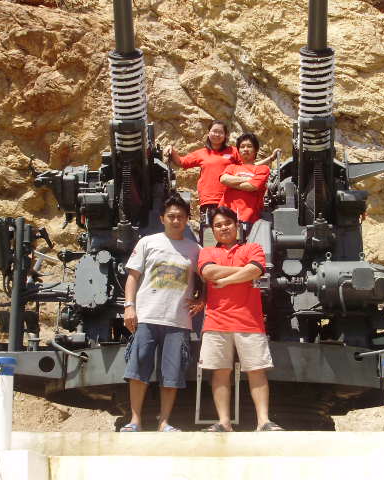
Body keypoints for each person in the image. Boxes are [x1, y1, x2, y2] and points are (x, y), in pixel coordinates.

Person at [120, 195, 204, 432]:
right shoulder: (148, 242)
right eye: (171, 216)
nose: (176, 220)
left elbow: (206, 277)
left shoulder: (196, 249)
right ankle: (135, 421)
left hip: (178, 321)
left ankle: (164, 422)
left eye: (180, 217)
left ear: (187, 220)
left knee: (172, 374)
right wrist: (129, 306)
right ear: (162, 218)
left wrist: (203, 299)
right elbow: (132, 277)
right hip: (146, 317)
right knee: (138, 371)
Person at [197, 206, 283, 432]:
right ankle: (224, 422)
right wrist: (240, 272)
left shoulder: (252, 247)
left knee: (256, 370)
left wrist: (225, 280)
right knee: (220, 372)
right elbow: (208, 273)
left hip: (249, 321)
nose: (223, 228)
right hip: (217, 321)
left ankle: (263, 421)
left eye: (227, 223)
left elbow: (256, 270)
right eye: (218, 225)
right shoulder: (207, 252)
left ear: (237, 225)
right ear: (212, 230)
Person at [166, 120, 242, 228]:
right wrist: (171, 149)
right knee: (208, 233)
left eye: (220, 132)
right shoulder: (202, 153)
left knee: (230, 231)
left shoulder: (233, 152)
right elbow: (181, 162)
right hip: (209, 200)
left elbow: (246, 168)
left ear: (226, 135)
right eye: (214, 131)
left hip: (230, 199)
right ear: (208, 133)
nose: (217, 134)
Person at [219, 133, 279, 233]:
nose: (245, 149)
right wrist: (247, 179)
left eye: (249, 146)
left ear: (255, 150)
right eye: (242, 146)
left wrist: (232, 182)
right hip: (224, 219)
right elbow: (224, 179)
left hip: (249, 220)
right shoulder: (231, 167)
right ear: (238, 151)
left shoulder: (263, 169)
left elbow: (252, 186)